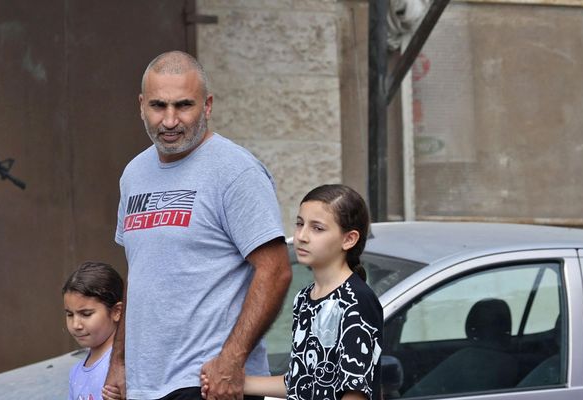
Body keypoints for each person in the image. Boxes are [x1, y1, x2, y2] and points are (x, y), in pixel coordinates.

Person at [104, 51, 293, 400]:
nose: (170, 120)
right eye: (158, 106)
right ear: (141, 105)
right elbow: (140, 273)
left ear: (207, 106)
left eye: (184, 106)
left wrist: (231, 361)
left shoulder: (236, 171)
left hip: (209, 385)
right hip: (146, 385)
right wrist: (119, 362)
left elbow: (276, 270)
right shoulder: (134, 174)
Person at [203, 184, 383, 400]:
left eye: (317, 228)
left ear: (349, 239)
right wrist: (230, 381)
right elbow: (301, 382)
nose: (302, 236)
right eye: (300, 224)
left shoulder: (357, 299)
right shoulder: (305, 298)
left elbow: (355, 391)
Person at [64, 261, 125, 400]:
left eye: (86, 314)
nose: (75, 325)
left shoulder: (123, 365)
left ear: (116, 311)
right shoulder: (75, 373)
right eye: (70, 314)